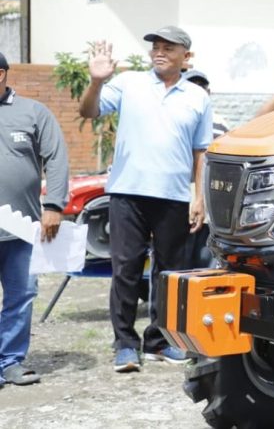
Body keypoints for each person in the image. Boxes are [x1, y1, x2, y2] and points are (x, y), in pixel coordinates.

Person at [78, 26, 213, 373]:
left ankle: (158, 341)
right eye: (155, 46)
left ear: (186, 55)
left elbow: (201, 152)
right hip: (127, 193)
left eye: (168, 47)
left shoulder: (198, 98)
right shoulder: (129, 84)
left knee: (170, 273)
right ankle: (124, 344)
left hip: (172, 197)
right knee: (126, 269)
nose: (159, 52)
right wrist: (96, 81)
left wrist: (199, 197)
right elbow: (88, 111)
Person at [0, 52, 69, 388]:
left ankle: (10, 362)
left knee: (21, 295)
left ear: (1, 75)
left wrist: (54, 206)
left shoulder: (33, 112)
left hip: (21, 230)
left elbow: (56, 157)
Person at [182, 69, 229, 138]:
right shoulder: (172, 122)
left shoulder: (220, 124)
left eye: (201, 87)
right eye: (191, 86)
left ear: (208, 92)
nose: (196, 91)